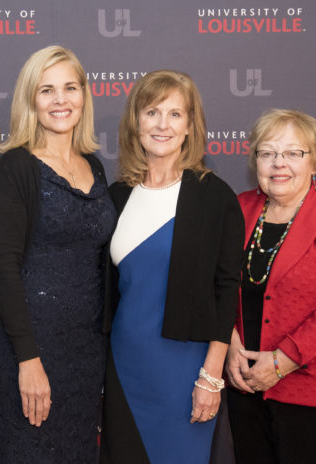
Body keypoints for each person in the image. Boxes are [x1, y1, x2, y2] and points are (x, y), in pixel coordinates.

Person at [100, 70, 245, 464]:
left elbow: (226, 288)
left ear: (190, 126)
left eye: (175, 114)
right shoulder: (116, 196)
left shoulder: (214, 197)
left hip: (185, 371)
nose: (162, 124)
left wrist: (211, 377)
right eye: (152, 112)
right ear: (136, 122)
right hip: (124, 364)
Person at [0, 45, 116, 463]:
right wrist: (28, 359)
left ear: (84, 96)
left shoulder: (94, 166)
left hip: (85, 352)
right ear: (31, 100)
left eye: (70, 88)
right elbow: (3, 269)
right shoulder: (15, 167)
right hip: (30, 351)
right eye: (47, 90)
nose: (60, 100)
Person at [224, 109, 316, 464]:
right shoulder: (240, 208)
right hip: (244, 381)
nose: (280, 164)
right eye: (268, 152)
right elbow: (218, 285)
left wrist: (280, 362)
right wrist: (230, 347)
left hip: (309, 384)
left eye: (293, 153)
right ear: (254, 160)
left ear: (314, 161)